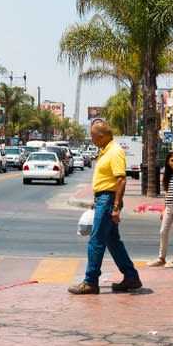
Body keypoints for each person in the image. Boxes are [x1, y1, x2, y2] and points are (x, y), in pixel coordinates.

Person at [68, 118, 141, 295]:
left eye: (93, 136)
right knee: (112, 241)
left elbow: (121, 180)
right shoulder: (105, 150)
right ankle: (131, 276)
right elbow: (108, 179)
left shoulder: (115, 152)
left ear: (102, 136)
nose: (91, 139)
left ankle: (91, 281)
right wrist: (97, 196)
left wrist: (115, 206)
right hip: (104, 198)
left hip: (108, 200)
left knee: (96, 241)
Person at [148, 151, 173, 268]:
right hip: (169, 206)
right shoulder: (167, 175)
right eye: (172, 160)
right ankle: (161, 258)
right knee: (163, 231)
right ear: (168, 162)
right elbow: (166, 192)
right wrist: (163, 209)